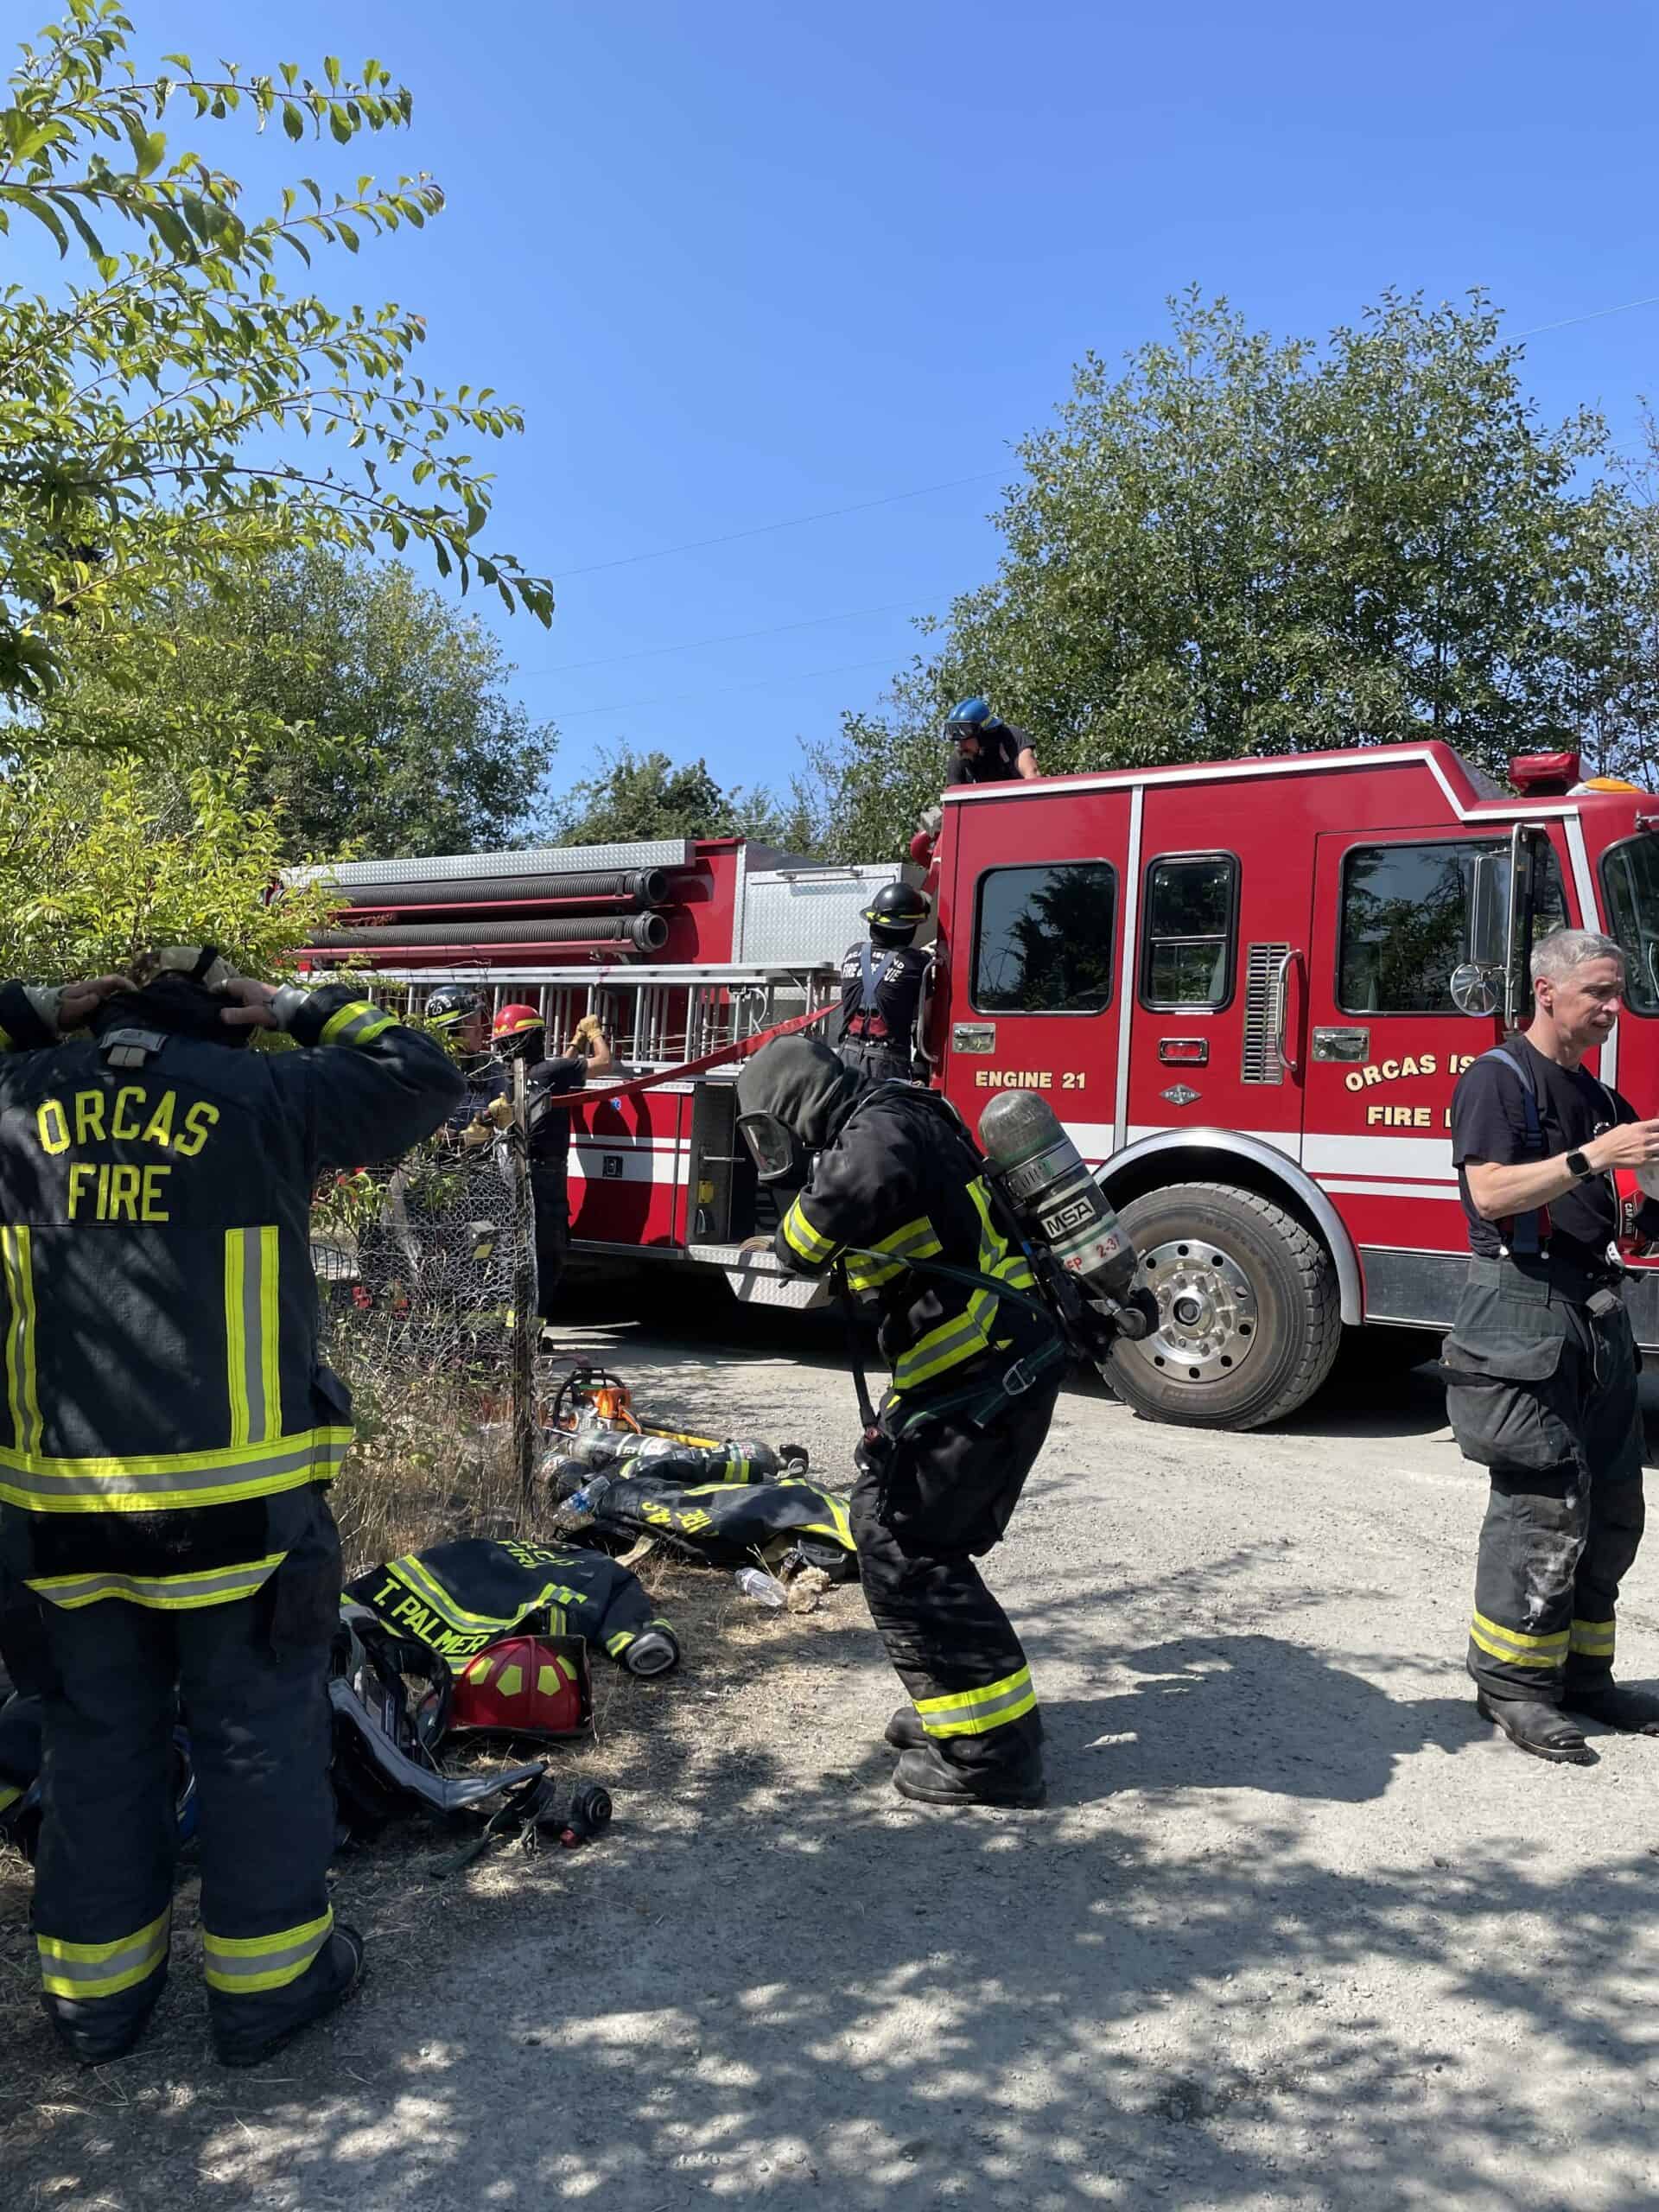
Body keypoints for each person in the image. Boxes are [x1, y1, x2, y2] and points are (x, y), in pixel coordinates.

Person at [0, 949, 462, 2065]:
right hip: (240, 1516)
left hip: (53, 1513)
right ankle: (267, 1990)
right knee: (256, 1739)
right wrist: (302, 1007)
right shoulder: (267, 1093)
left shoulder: (17, 1102)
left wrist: (32, 1009)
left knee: (94, 1742)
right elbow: (424, 1071)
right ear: (230, 1026)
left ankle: (95, 2005)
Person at [735, 1035, 1064, 1808]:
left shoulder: (880, 1129)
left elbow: (835, 1211)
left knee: (911, 1544)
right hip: (982, 1365)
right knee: (891, 1526)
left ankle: (993, 1758)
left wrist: (790, 1241)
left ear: (795, 1105)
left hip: (986, 1368)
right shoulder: (907, 1111)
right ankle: (961, 1715)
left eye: (767, 1127)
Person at [1446, 925, 1659, 1766]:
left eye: (1617, 993)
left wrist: (1641, 1202)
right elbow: (1490, 1190)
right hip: (1520, 1309)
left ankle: (1583, 1675)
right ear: (1547, 991)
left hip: (1595, 1314)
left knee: (1612, 1507)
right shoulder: (1499, 1081)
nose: (1614, 1008)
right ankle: (1512, 1685)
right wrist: (1593, 1156)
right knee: (1541, 1505)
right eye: (1599, 993)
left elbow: (1620, 1209)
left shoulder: (1601, 1099)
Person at [480, 1002, 613, 1323]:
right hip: (546, 1178)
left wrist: (576, 1041)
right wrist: (595, 1034)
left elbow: (561, 1071)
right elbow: (605, 1063)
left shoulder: (510, 1078)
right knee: (548, 1255)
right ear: (537, 1039)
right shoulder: (551, 1072)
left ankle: (516, 1328)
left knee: (520, 1253)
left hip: (515, 1174)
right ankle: (531, 1332)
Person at [836, 882, 932, 1087]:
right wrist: (922, 1069)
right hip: (887, 1066)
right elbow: (927, 1025)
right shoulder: (919, 964)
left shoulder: (852, 952)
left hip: (845, 1059)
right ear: (909, 928)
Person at [942, 696, 1040, 785]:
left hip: (1021, 801)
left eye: (965, 739)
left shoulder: (1011, 737)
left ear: (983, 734)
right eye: (958, 740)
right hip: (987, 804)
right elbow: (953, 800)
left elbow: (1032, 776)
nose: (961, 745)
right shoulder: (961, 755)